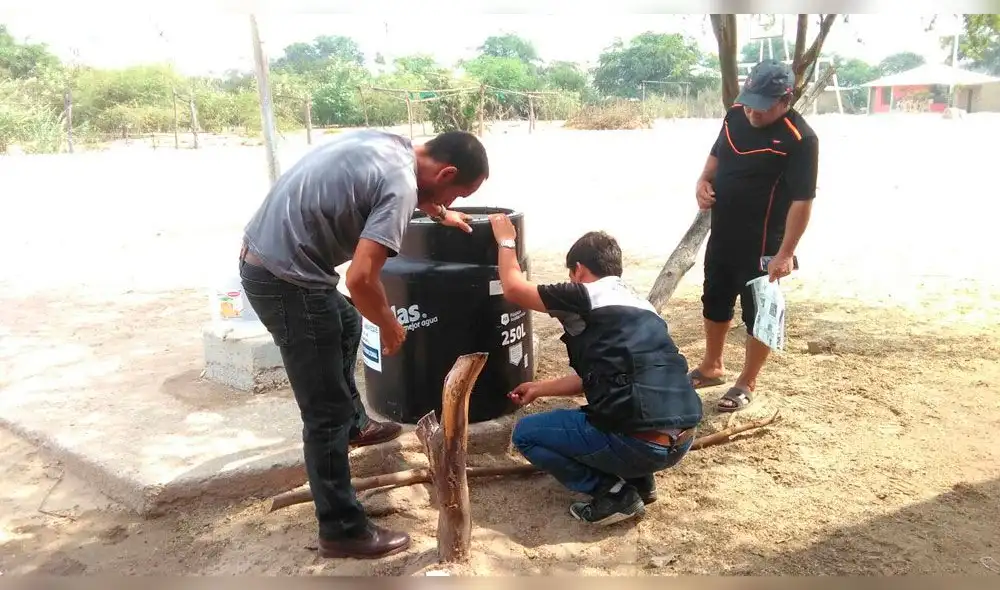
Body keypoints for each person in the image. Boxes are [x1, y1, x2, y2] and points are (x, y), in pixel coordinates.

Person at [238, 129, 489, 559]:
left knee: (345, 320)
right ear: (445, 171)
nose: (458, 202)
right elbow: (359, 279)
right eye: (459, 193)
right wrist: (389, 324)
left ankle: (356, 424)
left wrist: (438, 210)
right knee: (323, 413)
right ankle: (341, 529)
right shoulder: (400, 186)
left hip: (274, 255)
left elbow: (390, 194)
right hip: (285, 279)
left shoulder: (392, 146)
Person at [487, 215, 703, 526]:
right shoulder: (642, 306)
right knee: (621, 405)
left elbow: (514, 289)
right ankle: (641, 480)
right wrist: (540, 387)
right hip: (681, 441)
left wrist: (506, 240)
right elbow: (603, 378)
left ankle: (613, 493)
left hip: (640, 443)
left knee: (527, 434)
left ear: (579, 270)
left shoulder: (585, 294)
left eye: (571, 275)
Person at [688, 59, 819, 413]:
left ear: (785, 100)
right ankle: (712, 366)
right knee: (714, 298)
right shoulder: (735, 115)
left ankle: (747, 381)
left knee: (760, 312)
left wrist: (786, 253)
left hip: (764, 244)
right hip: (723, 233)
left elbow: (802, 202)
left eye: (762, 106)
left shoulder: (801, 139)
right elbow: (717, 155)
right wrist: (702, 183)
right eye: (749, 101)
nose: (753, 112)